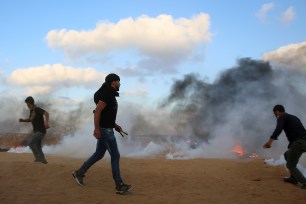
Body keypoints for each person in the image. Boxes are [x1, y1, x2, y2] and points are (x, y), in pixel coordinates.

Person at [72, 73, 132, 194]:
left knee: (99, 154)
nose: (120, 84)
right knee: (115, 155)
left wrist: (115, 125)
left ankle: (79, 173)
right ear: (113, 82)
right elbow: (98, 111)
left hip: (108, 129)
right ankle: (119, 185)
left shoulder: (110, 93)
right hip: (105, 131)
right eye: (119, 81)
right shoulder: (108, 93)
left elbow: (106, 114)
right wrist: (96, 129)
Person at [263, 105, 306, 189]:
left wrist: (269, 142)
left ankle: (304, 182)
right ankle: (293, 178)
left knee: (291, 166)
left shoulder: (281, 117)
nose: (275, 114)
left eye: (274, 112)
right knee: (287, 155)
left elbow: (278, 129)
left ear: (277, 111)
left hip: (298, 143)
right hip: (302, 141)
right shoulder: (293, 117)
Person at [19, 96, 49, 164]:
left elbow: (46, 113)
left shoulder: (37, 109)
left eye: (27, 104)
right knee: (38, 146)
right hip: (37, 131)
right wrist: (23, 120)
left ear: (30, 103)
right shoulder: (32, 111)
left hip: (40, 131)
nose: (27, 105)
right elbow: (30, 119)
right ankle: (43, 160)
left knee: (30, 143)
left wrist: (46, 123)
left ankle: (38, 158)